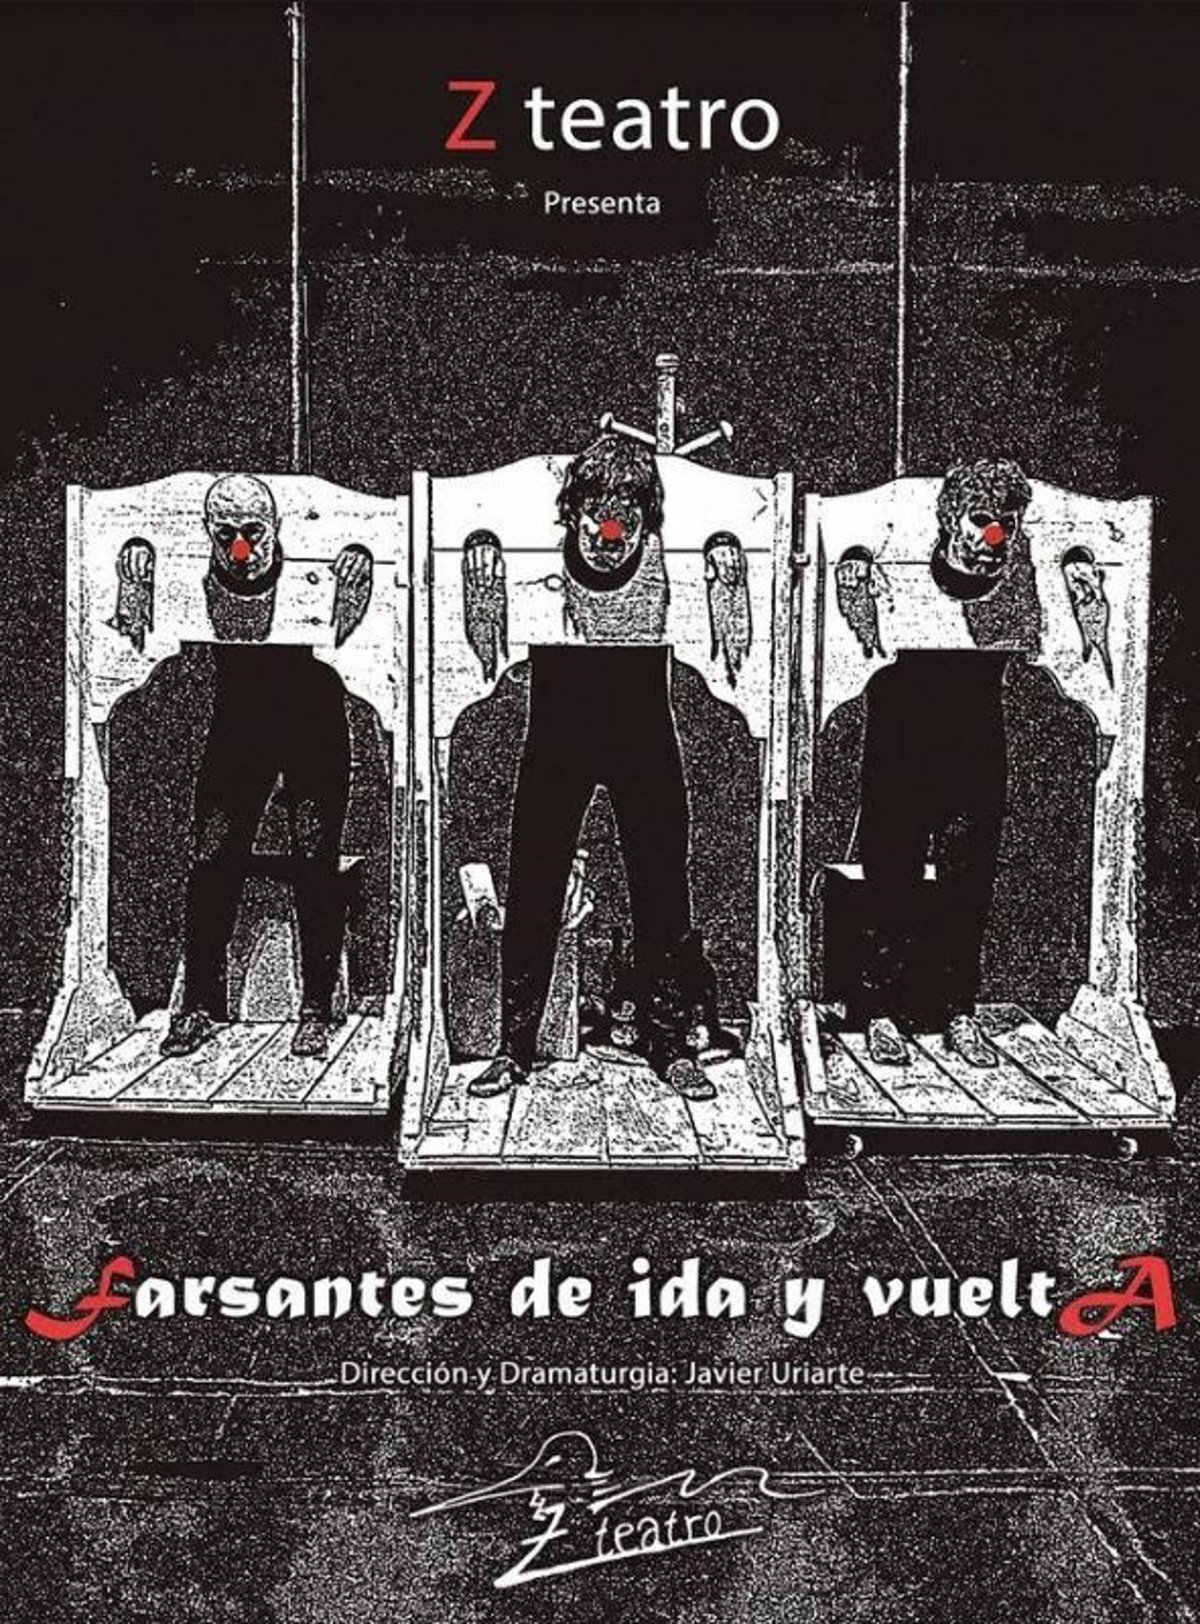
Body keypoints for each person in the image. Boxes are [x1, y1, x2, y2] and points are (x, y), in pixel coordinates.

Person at [462, 432, 744, 1100]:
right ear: (571, 515)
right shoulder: (548, 553)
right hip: (560, 727)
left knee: (663, 887)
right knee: (534, 880)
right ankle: (514, 1047)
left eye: (628, 523)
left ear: (648, 524)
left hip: (641, 726)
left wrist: (725, 559)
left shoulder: (658, 559)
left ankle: (669, 1044)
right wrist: (482, 559)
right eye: (597, 519)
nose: (611, 537)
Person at [113, 473, 372, 1060]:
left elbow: (348, 565)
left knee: (316, 859)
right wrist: (138, 558)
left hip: (315, 723)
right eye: (224, 534)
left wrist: (356, 558)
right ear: (207, 534)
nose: (239, 549)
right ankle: (198, 1005)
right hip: (242, 723)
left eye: (253, 533)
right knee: (212, 856)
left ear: (277, 528)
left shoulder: (300, 563)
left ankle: (316, 1008)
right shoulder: (214, 571)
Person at [859, 457, 1034, 1069]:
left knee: (968, 881)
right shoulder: (902, 572)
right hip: (900, 740)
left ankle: (956, 1009)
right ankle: (879, 1011)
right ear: (948, 520)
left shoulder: (1015, 583)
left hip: (974, 743)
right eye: (980, 520)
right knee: (891, 874)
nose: (995, 536)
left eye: (1006, 523)